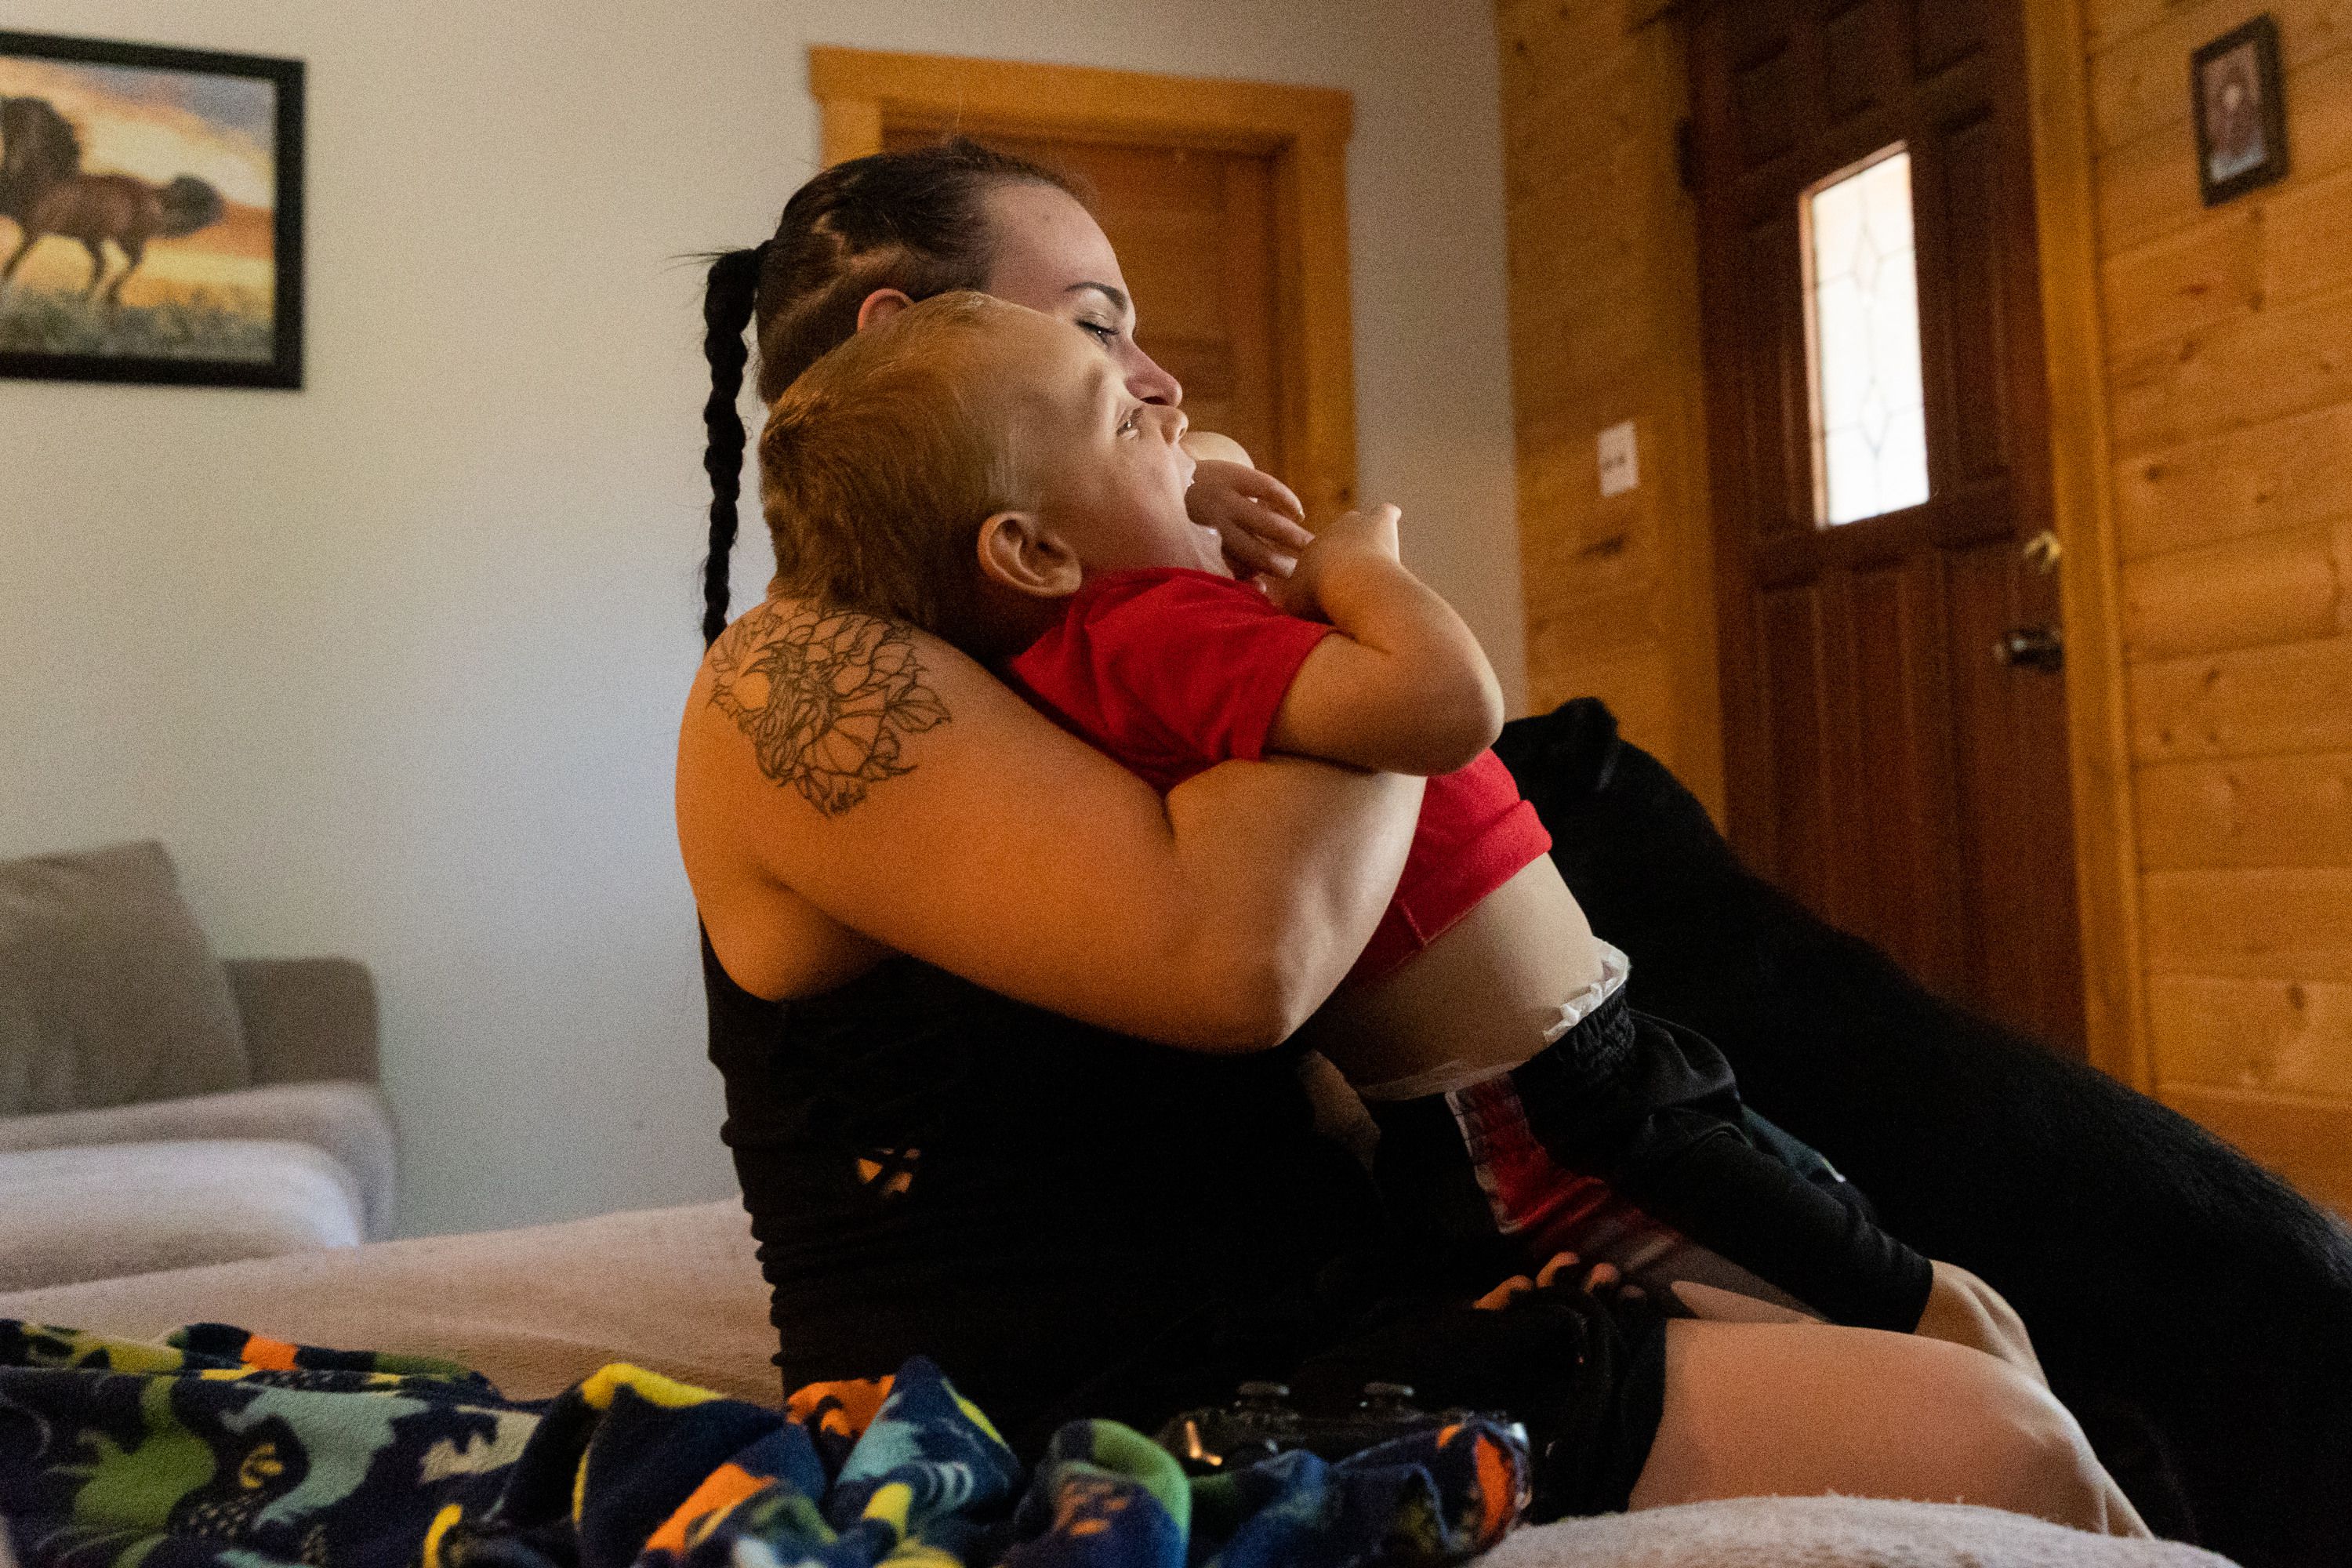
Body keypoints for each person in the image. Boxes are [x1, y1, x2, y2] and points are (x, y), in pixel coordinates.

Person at [676, 136, 2143, 1533]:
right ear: (902, 332)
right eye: (1099, 331)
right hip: (1097, 1395)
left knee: (1995, 1339)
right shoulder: (794, 679)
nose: (1161, 386)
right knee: (1998, 1444)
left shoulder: (1050, 611)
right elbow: (1245, 962)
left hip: (1332, 1283)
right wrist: (1288, 605)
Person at [748, 287, 2024, 1363]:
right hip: (1541, 1112)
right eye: (1122, 416)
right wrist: (1360, 566)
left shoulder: (1128, 633)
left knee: (1933, 1298)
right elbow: (1445, 708)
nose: (1169, 409)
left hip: (1592, 1060)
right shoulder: (1149, 633)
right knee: (1938, 1327)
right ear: (1031, 554)